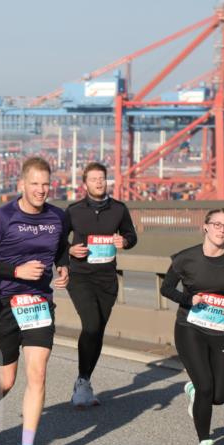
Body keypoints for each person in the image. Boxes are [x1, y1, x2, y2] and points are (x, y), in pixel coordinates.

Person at [0, 156, 69, 445]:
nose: (41, 190)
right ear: (21, 185)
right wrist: (17, 270)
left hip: (38, 304)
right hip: (3, 304)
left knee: (38, 374)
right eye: (35, 184)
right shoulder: (3, 217)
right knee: (7, 380)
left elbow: (61, 247)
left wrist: (63, 266)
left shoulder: (57, 217)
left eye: (46, 184)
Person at [160, 209, 224, 445]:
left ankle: (192, 389)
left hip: (223, 329)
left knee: (220, 395)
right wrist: (188, 299)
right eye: (216, 224)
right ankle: (204, 443)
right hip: (190, 327)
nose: (221, 230)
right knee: (206, 386)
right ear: (205, 227)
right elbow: (166, 288)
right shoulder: (186, 258)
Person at [64, 162, 138, 408]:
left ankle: (84, 380)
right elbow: (57, 240)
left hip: (107, 279)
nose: (98, 182)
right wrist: (69, 250)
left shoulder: (118, 209)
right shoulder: (74, 211)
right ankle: (82, 382)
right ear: (85, 184)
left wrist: (124, 241)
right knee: (91, 325)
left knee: (97, 332)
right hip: (80, 277)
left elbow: (132, 236)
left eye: (102, 178)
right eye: (93, 179)